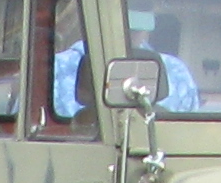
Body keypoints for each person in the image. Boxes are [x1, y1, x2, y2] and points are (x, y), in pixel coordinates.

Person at [51, 13, 203, 117]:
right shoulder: (58, 67)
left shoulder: (175, 72)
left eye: (136, 29)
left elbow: (190, 133)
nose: (130, 33)